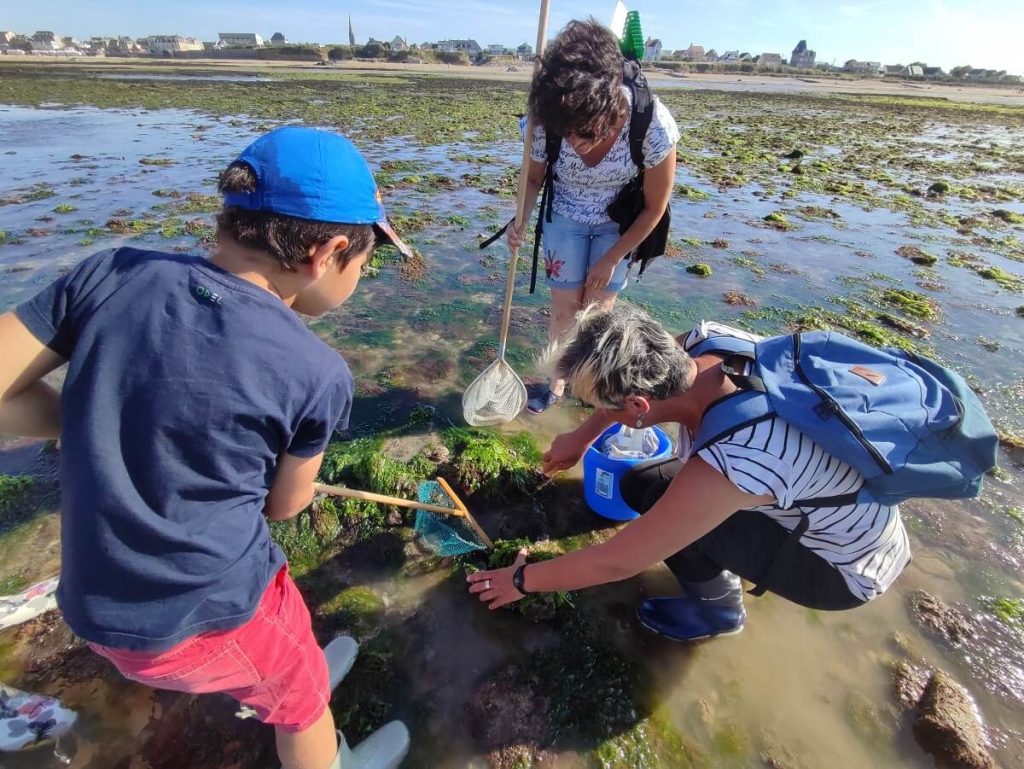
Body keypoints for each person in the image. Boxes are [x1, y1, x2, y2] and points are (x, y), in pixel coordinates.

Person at [0, 126, 413, 769]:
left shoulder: (109, 272)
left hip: (89, 599)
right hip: (203, 613)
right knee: (300, 703)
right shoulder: (318, 371)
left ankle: (289, 659)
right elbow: (285, 507)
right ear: (327, 253)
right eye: (365, 260)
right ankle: (317, 724)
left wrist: (96, 416)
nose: (361, 274)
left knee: (289, 631)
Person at [467, 305, 911, 641]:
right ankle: (724, 565)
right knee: (645, 483)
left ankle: (719, 616)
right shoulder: (709, 343)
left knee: (668, 510)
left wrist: (521, 581)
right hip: (831, 510)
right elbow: (630, 391)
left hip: (841, 569)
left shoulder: (735, 458)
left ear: (638, 407)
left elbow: (620, 560)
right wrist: (581, 437)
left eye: (595, 406)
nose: (594, 413)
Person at [505, 19, 681, 414]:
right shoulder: (544, 122)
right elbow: (533, 180)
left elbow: (655, 207)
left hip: (620, 225)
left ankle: (592, 385)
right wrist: (520, 220)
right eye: (564, 132)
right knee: (566, 311)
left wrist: (611, 258)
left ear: (610, 110)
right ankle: (557, 385)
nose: (572, 142)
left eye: (583, 133)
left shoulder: (651, 125)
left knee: (598, 312)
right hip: (564, 214)